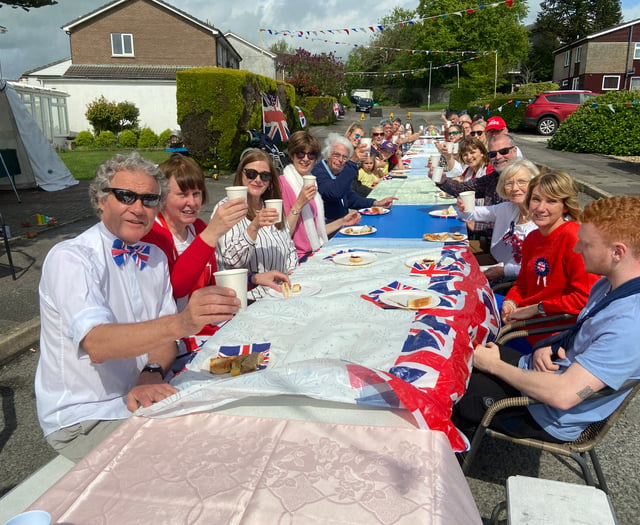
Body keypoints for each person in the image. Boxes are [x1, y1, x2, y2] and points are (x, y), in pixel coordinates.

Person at [35, 152, 241, 461]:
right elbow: (97, 343)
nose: (137, 208)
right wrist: (183, 322)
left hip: (140, 397)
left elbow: (164, 342)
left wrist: (151, 372)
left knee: (234, 418)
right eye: (126, 196)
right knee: (198, 456)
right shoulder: (72, 258)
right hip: (86, 417)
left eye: (148, 199)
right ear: (101, 200)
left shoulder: (154, 257)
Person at [452, 196, 640, 444]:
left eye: (586, 244)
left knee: (447, 387)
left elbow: (564, 395)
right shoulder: (610, 283)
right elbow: (586, 329)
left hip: (544, 412)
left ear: (617, 252)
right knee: (455, 353)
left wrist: (493, 366)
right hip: (540, 373)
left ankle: (450, 458)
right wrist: (549, 345)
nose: (577, 249)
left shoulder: (629, 325)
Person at [142, 153, 285, 368]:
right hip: (173, 346)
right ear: (162, 197)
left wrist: (254, 279)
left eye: (197, 194)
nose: (191, 202)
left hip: (210, 330)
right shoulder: (153, 236)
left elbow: (211, 284)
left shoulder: (196, 227)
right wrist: (212, 233)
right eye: (182, 194)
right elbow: (176, 288)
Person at [501, 170, 599, 345]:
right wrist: (511, 301)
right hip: (523, 320)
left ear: (566, 206)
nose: (540, 208)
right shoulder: (532, 238)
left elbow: (586, 298)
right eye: (536, 199)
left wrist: (536, 309)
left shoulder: (574, 237)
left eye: (551, 201)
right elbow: (523, 282)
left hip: (551, 331)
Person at [213, 149, 297, 300]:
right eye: (251, 174)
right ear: (241, 174)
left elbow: (289, 247)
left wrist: (291, 273)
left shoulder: (272, 206)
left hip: (280, 294)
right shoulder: (226, 209)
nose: (258, 180)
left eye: (265, 176)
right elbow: (231, 262)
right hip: (247, 299)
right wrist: (254, 227)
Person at [280, 130, 360, 260]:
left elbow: (317, 231)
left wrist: (342, 221)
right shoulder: (282, 185)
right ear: (291, 154)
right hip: (296, 259)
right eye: (300, 153)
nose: (306, 159)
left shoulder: (311, 182)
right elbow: (281, 235)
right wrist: (299, 204)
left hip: (315, 251)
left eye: (311, 155)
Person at [457, 159, 539, 282]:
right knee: (456, 266)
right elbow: (471, 214)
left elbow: (537, 267)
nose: (515, 188)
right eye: (509, 183)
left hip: (517, 281)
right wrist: (463, 206)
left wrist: (504, 271)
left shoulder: (542, 221)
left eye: (521, 182)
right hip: (496, 264)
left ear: (535, 184)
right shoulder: (508, 208)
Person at [313, 133, 397, 223]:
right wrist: (352, 162)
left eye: (345, 157)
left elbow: (349, 198)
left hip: (344, 225)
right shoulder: (318, 172)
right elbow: (334, 193)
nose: (341, 160)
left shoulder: (338, 171)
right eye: (336, 155)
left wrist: (376, 203)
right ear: (327, 155)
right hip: (328, 228)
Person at [435, 133, 519, 208]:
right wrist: (441, 180)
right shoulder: (492, 177)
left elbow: (503, 216)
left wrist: (476, 222)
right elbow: (464, 188)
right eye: (493, 154)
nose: (498, 157)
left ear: (515, 151)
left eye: (504, 151)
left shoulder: (523, 177)